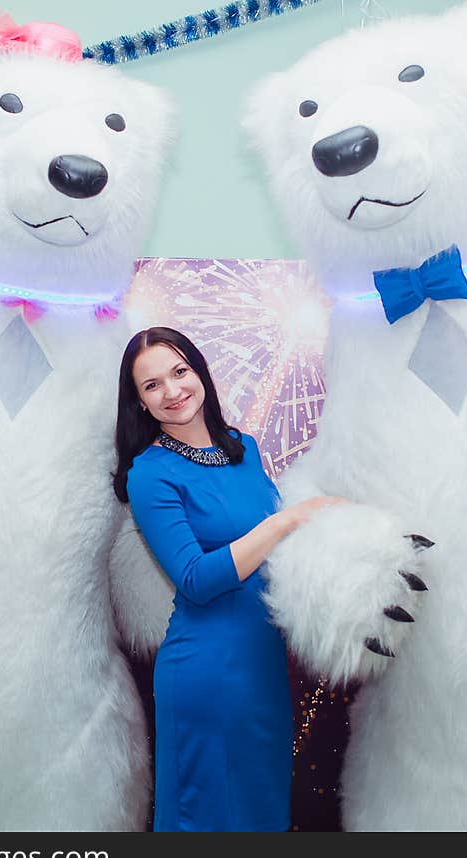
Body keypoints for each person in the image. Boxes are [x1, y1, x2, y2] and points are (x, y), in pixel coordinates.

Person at [114, 327, 342, 832]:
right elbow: (195, 578)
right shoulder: (149, 475)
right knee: (207, 818)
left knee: (263, 814)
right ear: (141, 404)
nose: (172, 392)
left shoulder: (244, 447)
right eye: (152, 386)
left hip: (262, 666)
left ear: (199, 373)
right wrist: (284, 521)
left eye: (179, 372)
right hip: (206, 671)